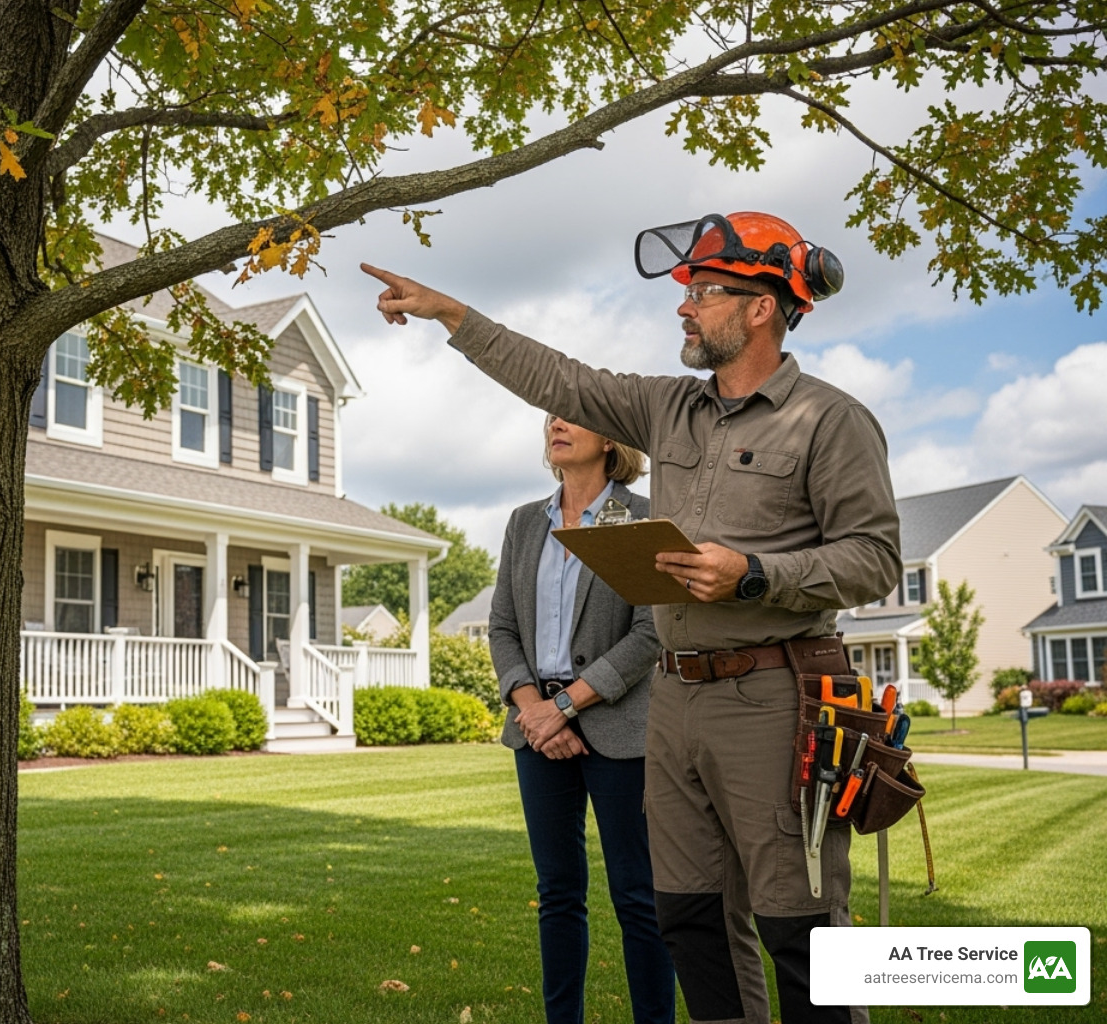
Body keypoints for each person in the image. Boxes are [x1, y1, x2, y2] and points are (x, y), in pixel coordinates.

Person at [362, 211, 901, 1024]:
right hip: (673, 703)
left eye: (705, 292)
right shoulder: (666, 407)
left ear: (762, 307)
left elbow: (875, 558)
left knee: (800, 922)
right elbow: (557, 377)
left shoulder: (829, 419)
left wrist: (753, 574)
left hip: (774, 695)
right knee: (688, 917)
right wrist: (450, 313)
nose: (685, 307)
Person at [491, 417, 670, 1024]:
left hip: (618, 728)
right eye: (550, 417)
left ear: (611, 438)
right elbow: (502, 627)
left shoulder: (642, 517)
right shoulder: (525, 522)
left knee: (638, 896)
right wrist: (533, 709)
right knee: (557, 895)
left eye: (572, 414)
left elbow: (650, 632)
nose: (557, 424)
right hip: (535, 731)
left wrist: (564, 707)